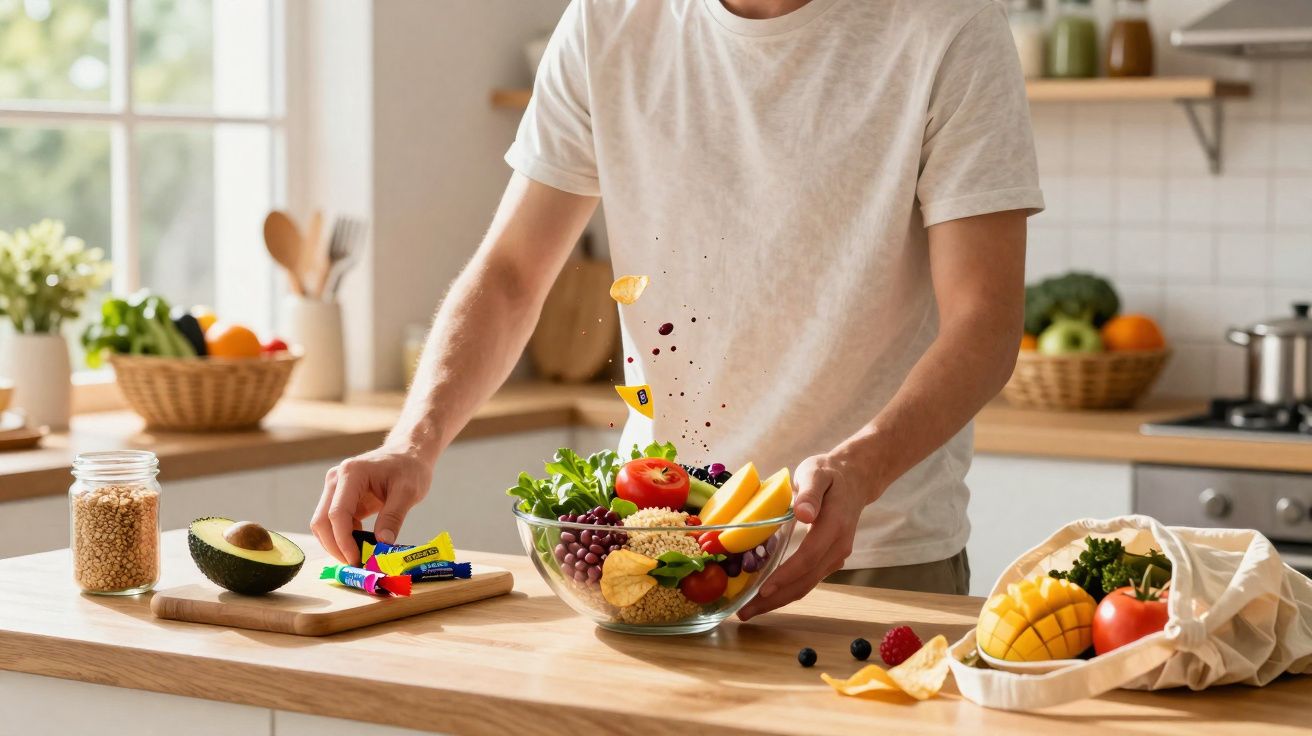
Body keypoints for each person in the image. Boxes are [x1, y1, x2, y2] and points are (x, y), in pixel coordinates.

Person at [312, 0, 1043, 620]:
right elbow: (509, 276)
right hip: (656, 550)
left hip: (872, 553)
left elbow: (984, 322)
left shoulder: (950, 25)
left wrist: (862, 466)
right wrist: (413, 441)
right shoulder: (609, 20)